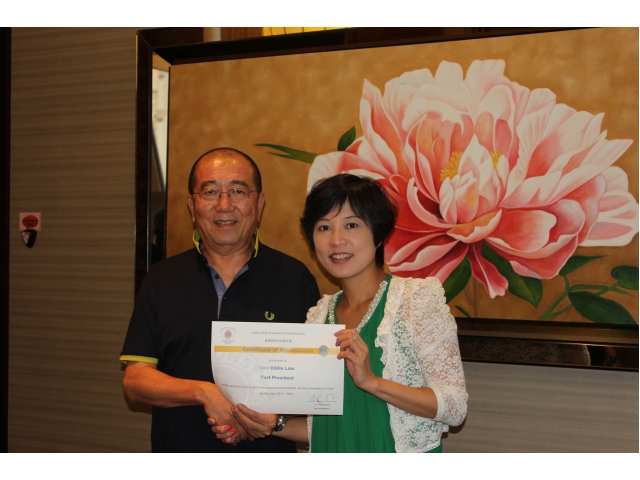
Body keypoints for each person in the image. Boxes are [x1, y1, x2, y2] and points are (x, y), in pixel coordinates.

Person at [212, 174, 468, 452]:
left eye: (351, 225)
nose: (336, 240)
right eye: (324, 227)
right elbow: (327, 429)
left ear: (378, 234)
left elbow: (455, 407)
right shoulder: (318, 316)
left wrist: (372, 382)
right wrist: (272, 424)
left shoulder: (415, 300)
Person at [120, 147, 320, 452]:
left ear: (259, 204)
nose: (224, 205)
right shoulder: (161, 279)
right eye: (210, 192)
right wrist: (204, 393)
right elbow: (135, 382)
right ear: (192, 205)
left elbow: (314, 390)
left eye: (238, 191)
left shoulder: (295, 278)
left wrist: (267, 420)